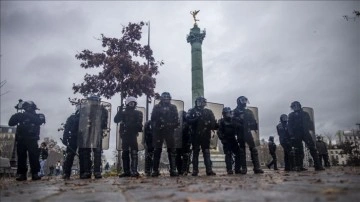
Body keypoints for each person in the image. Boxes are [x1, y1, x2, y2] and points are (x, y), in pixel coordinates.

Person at [8, 100, 46, 181]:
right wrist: (17, 115)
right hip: (21, 138)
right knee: (21, 157)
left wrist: (26, 115)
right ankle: (22, 174)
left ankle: (35, 173)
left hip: (32, 139)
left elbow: (39, 121)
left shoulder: (39, 115)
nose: (26, 109)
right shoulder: (21, 115)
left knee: (34, 156)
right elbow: (10, 123)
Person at [288, 101, 324, 171]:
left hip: (305, 133)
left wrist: (311, 129)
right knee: (298, 150)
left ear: (299, 106)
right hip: (296, 134)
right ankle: (299, 166)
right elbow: (289, 125)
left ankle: (317, 165)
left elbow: (309, 122)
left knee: (312, 148)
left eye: (297, 105)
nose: (296, 107)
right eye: (294, 106)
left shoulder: (305, 114)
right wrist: (291, 135)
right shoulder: (291, 115)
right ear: (292, 107)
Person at [78, 95, 109, 179]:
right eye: (93, 101)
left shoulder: (103, 110)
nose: (94, 103)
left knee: (98, 152)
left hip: (97, 132)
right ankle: (87, 171)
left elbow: (105, 123)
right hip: (86, 132)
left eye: (96, 101)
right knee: (86, 151)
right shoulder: (84, 110)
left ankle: (97, 171)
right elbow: (81, 122)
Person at [150, 92, 179, 177]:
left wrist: (169, 125)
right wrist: (157, 126)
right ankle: (155, 170)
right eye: (164, 97)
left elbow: (176, 120)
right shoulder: (156, 107)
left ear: (169, 98)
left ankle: (173, 169)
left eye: (167, 97)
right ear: (162, 98)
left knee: (172, 150)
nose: (166, 99)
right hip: (159, 131)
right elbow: (153, 120)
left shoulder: (173, 107)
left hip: (169, 130)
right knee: (157, 150)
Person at [232, 96, 264, 174]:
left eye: (245, 100)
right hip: (240, 132)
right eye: (243, 100)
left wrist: (250, 124)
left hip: (247, 132)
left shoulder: (248, 111)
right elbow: (232, 122)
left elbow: (254, 122)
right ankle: (244, 168)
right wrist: (238, 122)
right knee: (242, 150)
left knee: (253, 149)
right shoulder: (235, 112)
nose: (244, 102)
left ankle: (257, 167)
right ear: (239, 101)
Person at [187, 96, 217, 176]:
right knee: (195, 152)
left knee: (206, 152)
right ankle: (195, 170)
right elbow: (188, 121)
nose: (202, 103)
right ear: (197, 102)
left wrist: (211, 124)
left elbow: (213, 124)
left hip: (205, 134)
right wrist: (196, 119)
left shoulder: (208, 111)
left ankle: (209, 170)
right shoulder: (192, 111)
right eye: (200, 101)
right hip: (195, 135)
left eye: (203, 101)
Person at [114, 96, 143, 177]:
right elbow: (116, 120)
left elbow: (139, 126)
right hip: (125, 135)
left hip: (133, 134)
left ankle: (134, 170)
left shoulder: (138, 113)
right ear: (127, 103)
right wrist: (120, 111)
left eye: (133, 103)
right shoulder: (123, 113)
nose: (132, 104)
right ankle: (126, 171)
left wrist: (131, 126)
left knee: (134, 153)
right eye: (130, 103)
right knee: (125, 153)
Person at [217, 107, 241, 174]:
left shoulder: (233, 120)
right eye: (227, 113)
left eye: (229, 113)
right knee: (228, 154)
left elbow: (237, 129)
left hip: (233, 139)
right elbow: (219, 132)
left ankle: (237, 169)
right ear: (224, 114)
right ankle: (229, 169)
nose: (228, 114)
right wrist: (223, 139)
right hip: (226, 140)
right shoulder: (221, 121)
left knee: (238, 153)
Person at [62, 105, 80, 180]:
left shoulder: (86, 117)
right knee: (70, 155)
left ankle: (84, 172)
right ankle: (66, 173)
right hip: (73, 137)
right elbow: (67, 128)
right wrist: (65, 138)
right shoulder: (73, 117)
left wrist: (65, 138)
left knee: (83, 155)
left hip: (82, 138)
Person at [175, 111, 192, 175]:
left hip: (185, 142)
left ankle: (184, 170)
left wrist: (189, 142)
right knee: (179, 157)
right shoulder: (177, 124)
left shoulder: (187, 124)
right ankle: (181, 170)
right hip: (179, 143)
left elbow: (189, 134)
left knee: (185, 156)